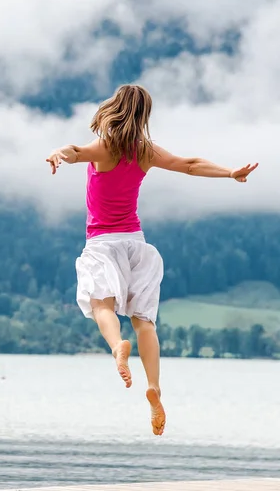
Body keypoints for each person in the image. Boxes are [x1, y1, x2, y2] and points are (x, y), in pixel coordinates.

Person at [45, 84, 258, 436]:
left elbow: (74, 150)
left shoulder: (105, 147)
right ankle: (155, 388)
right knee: (145, 323)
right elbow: (189, 165)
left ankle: (117, 348)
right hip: (137, 245)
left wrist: (57, 154)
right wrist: (230, 172)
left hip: (104, 245)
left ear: (113, 107)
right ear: (145, 115)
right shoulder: (145, 151)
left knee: (102, 307)